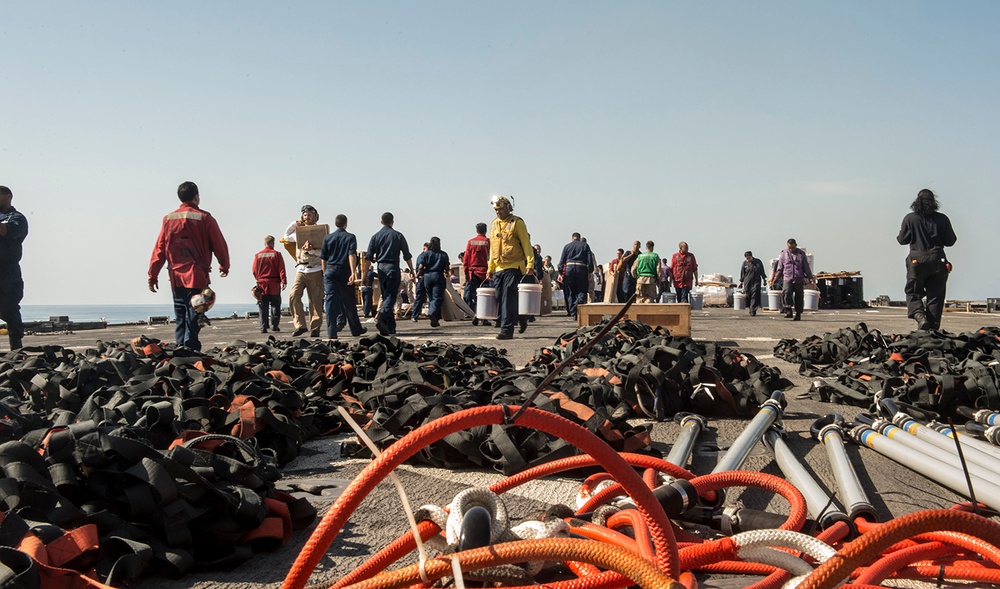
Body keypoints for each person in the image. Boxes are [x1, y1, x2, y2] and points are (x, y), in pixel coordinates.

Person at [148, 181, 230, 351]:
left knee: (180, 314)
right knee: (195, 313)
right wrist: (224, 265)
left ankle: (180, 346)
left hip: (176, 276)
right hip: (196, 274)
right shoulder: (205, 218)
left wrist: (152, 275)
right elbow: (219, 244)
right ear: (196, 197)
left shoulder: (168, 219)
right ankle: (190, 347)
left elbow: (159, 249)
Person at [897, 188, 957, 330]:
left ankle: (920, 316)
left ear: (917, 202)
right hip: (937, 259)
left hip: (916, 260)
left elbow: (902, 240)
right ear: (933, 202)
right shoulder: (942, 219)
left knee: (913, 291)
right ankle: (933, 328)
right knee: (936, 296)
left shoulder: (910, 218)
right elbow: (951, 241)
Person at [486, 195, 533, 340]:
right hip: (499, 268)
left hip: (514, 266)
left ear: (507, 208)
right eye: (496, 210)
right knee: (500, 297)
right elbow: (493, 249)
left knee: (508, 297)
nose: (498, 212)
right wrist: (490, 267)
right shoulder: (493, 224)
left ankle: (506, 330)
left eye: (500, 209)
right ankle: (520, 316)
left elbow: (526, 244)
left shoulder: (517, 223)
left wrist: (530, 264)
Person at [364, 212, 414, 336]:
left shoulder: (375, 237)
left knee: (386, 296)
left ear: (381, 221)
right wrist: (412, 269)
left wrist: (365, 274)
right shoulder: (398, 236)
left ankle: (390, 327)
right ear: (393, 221)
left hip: (381, 269)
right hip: (393, 267)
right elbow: (407, 255)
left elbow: (368, 257)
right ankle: (382, 318)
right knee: (392, 296)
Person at [320, 214, 366, 339]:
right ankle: (356, 329)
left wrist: (325, 273)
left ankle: (331, 332)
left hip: (330, 271)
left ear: (336, 223)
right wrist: (353, 272)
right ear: (346, 223)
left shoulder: (327, 238)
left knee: (330, 302)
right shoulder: (350, 237)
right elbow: (351, 255)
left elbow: (323, 258)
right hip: (343, 271)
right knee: (349, 301)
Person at [283, 205, 326, 337]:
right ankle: (300, 325)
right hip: (301, 269)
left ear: (315, 217)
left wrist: (311, 250)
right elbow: (286, 236)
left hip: (316, 269)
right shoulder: (298, 233)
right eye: (305, 215)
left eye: (310, 215)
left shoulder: (321, 232)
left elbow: (324, 253)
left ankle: (315, 327)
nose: (307, 217)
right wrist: (294, 224)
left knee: (315, 300)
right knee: (294, 295)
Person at [0, 186, 28, 351]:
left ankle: (17, 349)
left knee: (9, 308)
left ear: (7, 196)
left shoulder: (17, 218)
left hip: (7, 270)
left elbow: (6, 231)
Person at [769, 238, 813, 321]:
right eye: (789, 248)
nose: (791, 249)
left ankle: (798, 313)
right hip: (787, 278)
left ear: (795, 245)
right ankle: (788, 310)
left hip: (798, 278)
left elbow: (806, 267)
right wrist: (775, 279)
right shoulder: (783, 254)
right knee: (786, 293)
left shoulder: (801, 254)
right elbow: (780, 268)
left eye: (792, 248)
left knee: (799, 297)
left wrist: (810, 278)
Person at [252, 236, 287, 333]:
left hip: (262, 284)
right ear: (273, 243)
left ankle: (263, 327)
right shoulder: (277, 254)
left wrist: (258, 279)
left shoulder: (258, 255)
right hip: (274, 283)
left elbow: (254, 269)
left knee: (263, 306)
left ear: (265, 243)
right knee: (275, 305)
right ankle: (275, 325)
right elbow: (281, 269)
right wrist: (284, 281)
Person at [557, 232, 594, 317]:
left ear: (572, 238)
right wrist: (590, 271)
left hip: (569, 268)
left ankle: (573, 312)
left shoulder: (567, 246)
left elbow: (562, 261)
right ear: (579, 238)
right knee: (582, 289)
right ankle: (577, 303)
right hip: (581, 267)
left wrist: (560, 273)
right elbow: (590, 259)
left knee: (570, 291)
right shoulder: (585, 245)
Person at [463, 223, 489, 325]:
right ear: (485, 230)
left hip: (473, 272)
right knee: (486, 296)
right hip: (485, 272)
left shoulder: (470, 242)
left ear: (476, 230)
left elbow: (466, 259)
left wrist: (466, 274)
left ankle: (476, 313)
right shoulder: (488, 242)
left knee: (473, 295)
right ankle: (483, 317)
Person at [422, 237, 450, 328]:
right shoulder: (443, 254)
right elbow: (446, 267)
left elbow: (421, 266)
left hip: (427, 277)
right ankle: (432, 313)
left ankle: (435, 319)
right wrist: (447, 273)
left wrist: (418, 274)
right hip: (438, 276)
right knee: (437, 298)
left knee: (431, 298)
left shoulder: (426, 254)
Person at [738, 251, 767, 316]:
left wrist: (764, 279)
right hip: (747, 281)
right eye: (747, 258)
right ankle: (750, 307)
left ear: (751, 256)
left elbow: (762, 271)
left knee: (755, 295)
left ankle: (753, 310)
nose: (748, 260)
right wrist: (741, 282)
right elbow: (742, 273)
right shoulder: (744, 264)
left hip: (756, 281)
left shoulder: (758, 262)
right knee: (748, 295)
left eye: (749, 258)